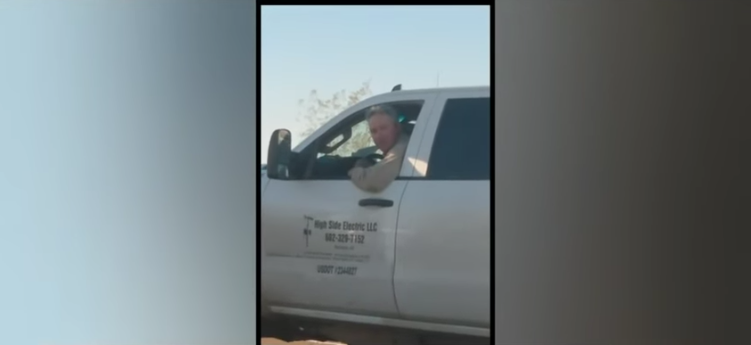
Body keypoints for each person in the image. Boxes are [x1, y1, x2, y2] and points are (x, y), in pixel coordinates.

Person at [348, 104, 409, 193]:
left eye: (383, 128)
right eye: (374, 131)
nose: (379, 136)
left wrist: (355, 169)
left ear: (397, 127)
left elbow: (371, 181)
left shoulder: (401, 148)